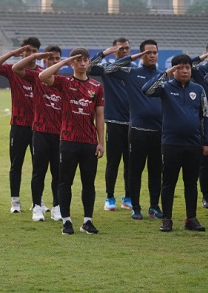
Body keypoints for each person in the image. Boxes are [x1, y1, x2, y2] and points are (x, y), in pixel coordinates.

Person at [39, 48, 104, 235]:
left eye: (85, 60)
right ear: (73, 62)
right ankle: (66, 221)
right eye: (78, 60)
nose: (82, 63)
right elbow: (43, 76)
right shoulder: (64, 82)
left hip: (89, 141)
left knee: (88, 183)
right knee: (64, 182)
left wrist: (101, 142)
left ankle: (87, 221)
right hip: (68, 141)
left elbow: (99, 116)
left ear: (89, 63)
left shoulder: (96, 86)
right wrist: (65, 62)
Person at [142, 54, 208, 232]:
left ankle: (191, 219)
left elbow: (206, 117)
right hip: (171, 143)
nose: (185, 71)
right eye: (180, 67)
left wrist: (206, 141)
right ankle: (167, 219)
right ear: (174, 69)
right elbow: (146, 90)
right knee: (169, 182)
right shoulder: (165, 87)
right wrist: (165, 74)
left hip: (194, 144)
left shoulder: (199, 89)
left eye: (187, 67)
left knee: (191, 183)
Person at [105, 40, 163, 220]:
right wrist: (132, 57)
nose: (152, 55)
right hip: (138, 130)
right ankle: (135, 207)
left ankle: (154, 206)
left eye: (154, 52)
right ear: (141, 54)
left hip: (159, 131)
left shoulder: (163, 75)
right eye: (148, 52)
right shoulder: (132, 73)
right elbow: (111, 69)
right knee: (135, 170)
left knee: (155, 170)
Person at [0, 37, 42, 214]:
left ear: (38, 53)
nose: (29, 54)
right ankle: (15, 201)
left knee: (39, 166)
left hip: (39, 127)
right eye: (26, 50)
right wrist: (12, 54)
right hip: (19, 125)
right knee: (16, 165)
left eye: (33, 51)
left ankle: (38, 201)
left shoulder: (43, 73)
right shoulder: (13, 70)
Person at [13, 45, 63, 222]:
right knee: (39, 172)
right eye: (51, 59)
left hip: (59, 135)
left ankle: (57, 206)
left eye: (58, 59)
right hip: (40, 131)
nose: (55, 62)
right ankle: (37, 207)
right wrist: (35, 55)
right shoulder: (37, 78)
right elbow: (16, 68)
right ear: (45, 61)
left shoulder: (64, 81)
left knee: (58, 173)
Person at [88, 39, 133, 212]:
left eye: (127, 48)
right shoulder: (107, 70)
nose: (124, 51)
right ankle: (109, 197)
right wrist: (104, 53)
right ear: (115, 51)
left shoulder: (135, 71)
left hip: (133, 124)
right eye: (120, 49)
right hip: (114, 123)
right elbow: (89, 67)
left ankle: (128, 198)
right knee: (113, 162)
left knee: (130, 163)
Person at [190, 44, 208, 209]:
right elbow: (187, 64)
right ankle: (205, 196)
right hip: (205, 121)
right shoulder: (200, 70)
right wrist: (203, 57)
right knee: (205, 160)